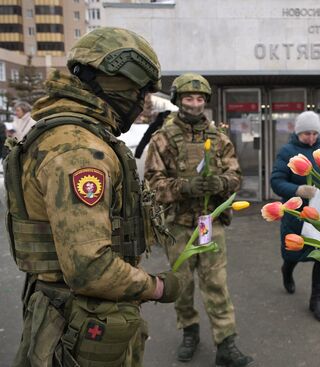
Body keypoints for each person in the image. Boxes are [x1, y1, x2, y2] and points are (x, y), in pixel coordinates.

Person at [4, 27, 181, 367]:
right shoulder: (79, 150)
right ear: (118, 85)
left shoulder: (69, 132)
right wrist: (158, 287)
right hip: (78, 324)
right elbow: (90, 267)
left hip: (72, 315)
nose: (143, 104)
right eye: (140, 92)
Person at [144, 73, 254, 367]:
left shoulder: (218, 138)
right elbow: (152, 184)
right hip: (179, 225)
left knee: (216, 283)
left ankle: (226, 342)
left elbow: (235, 176)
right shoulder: (163, 138)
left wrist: (219, 184)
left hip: (210, 224)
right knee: (181, 285)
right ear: (178, 100)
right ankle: (189, 331)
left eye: (200, 98)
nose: (194, 104)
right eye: (189, 98)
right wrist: (184, 188)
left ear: (206, 101)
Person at [271, 111, 320, 322]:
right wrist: (298, 190)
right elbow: (276, 181)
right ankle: (286, 271)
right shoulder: (287, 151)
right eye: (307, 134)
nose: (312, 138)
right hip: (296, 213)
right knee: (292, 253)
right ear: (298, 132)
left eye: (315, 133)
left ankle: (316, 300)